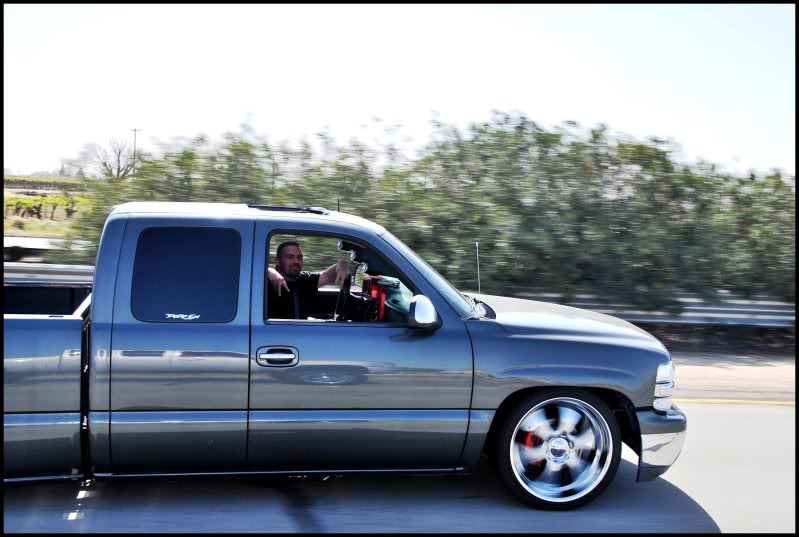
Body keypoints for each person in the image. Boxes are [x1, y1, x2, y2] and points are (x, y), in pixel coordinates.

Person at [266, 240, 351, 319]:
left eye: (299, 257)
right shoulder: (265, 282)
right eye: (290, 257)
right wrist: (269, 271)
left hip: (300, 332)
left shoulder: (303, 279)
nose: (296, 261)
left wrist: (343, 264)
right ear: (277, 261)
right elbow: (254, 270)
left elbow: (328, 275)